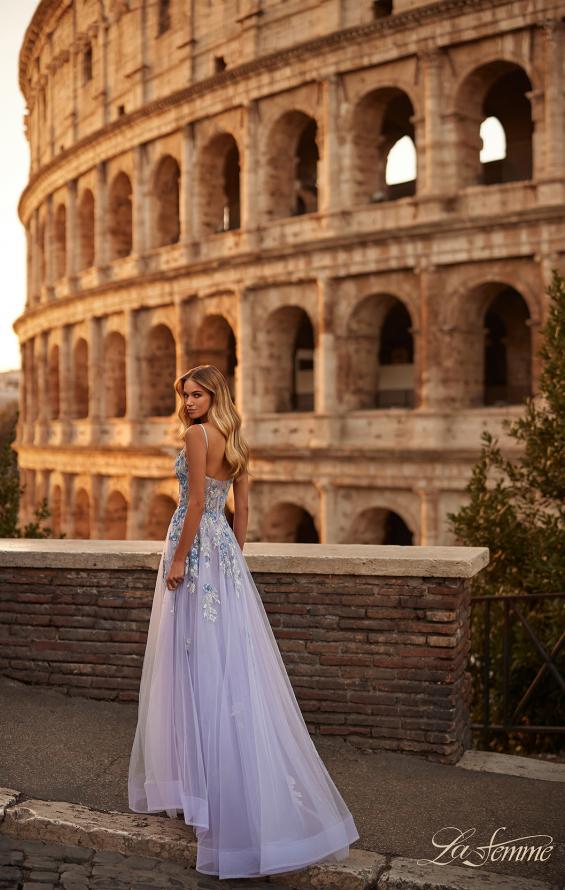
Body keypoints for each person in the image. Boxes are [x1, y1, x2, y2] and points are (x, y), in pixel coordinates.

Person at [128, 364, 360, 880]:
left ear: (214, 395)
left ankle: (204, 791)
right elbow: (244, 509)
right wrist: (231, 557)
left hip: (193, 551)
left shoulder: (196, 435)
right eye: (184, 395)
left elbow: (191, 507)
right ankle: (218, 788)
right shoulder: (237, 439)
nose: (188, 402)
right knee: (228, 664)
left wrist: (184, 558)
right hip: (226, 557)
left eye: (197, 393)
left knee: (191, 663)